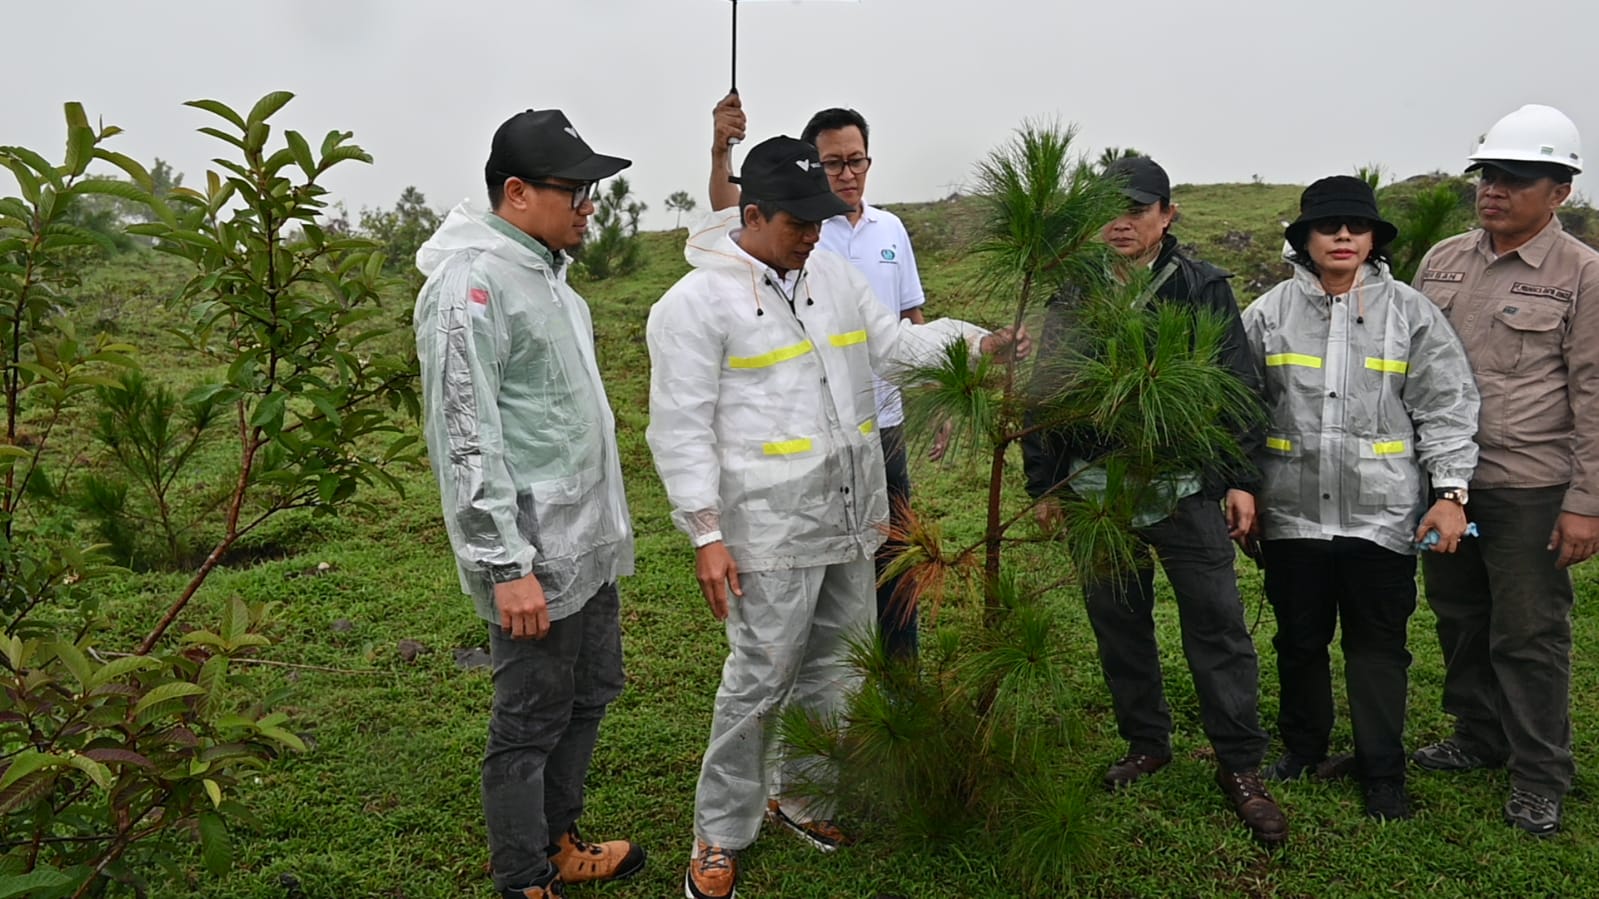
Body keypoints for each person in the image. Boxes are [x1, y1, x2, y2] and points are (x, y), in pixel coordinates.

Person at [650, 134, 1026, 899]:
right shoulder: (691, 306)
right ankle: (718, 833)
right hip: (765, 528)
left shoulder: (830, 270)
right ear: (751, 214)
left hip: (852, 513)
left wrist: (974, 345)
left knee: (835, 667)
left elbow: (891, 345)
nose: (815, 233)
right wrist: (705, 533)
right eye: (799, 223)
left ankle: (805, 796)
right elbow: (678, 425)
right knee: (758, 679)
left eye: (822, 218)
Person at [413, 109, 646, 899]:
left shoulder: (548, 276)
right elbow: (464, 436)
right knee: (528, 716)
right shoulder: (470, 285)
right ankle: (522, 876)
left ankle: (557, 836)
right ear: (516, 192)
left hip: (585, 542)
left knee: (590, 691)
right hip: (533, 555)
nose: (589, 205)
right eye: (574, 189)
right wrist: (502, 563)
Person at [1021, 155, 1287, 845]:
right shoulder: (1073, 288)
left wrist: (1237, 477)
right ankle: (1146, 740)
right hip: (1092, 488)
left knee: (1216, 624)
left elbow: (1236, 388)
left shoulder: (1199, 286)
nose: (1120, 222)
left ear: (1166, 215)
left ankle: (1240, 764)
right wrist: (1042, 483)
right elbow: (1043, 388)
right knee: (1117, 620)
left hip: (1182, 486)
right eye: (1107, 208)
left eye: (1136, 209)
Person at [1241, 175, 1481, 822]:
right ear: (1305, 238)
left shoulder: (1410, 313)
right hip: (1290, 513)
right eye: (1327, 225)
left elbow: (1446, 407)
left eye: (1355, 224)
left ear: (1372, 237)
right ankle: (1301, 748)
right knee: (1298, 638)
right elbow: (1234, 407)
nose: (1342, 235)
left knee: (1377, 646)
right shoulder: (1266, 314)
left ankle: (1382, 772)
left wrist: (1449, 493)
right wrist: (1238, 484)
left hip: (1380, 516)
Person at [1410, 103, 1599, 836]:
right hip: (1447, 483)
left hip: (1528, 485)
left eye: (1515, 179)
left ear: (1559, 192)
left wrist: (1584, 499)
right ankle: (1477, 734)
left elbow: (1592, 390)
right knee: (1458, 616)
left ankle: (1539, 774)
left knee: (1527, 633)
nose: (1493, 190)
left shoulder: (1582, 276)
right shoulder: (1442, 261)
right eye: (1487, 174)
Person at [710, 92, 935, 658]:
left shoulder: (890, 231)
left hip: (885, 423)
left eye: (855, 159)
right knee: (834, 565)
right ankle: (832, 677)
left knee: (897, 554)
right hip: (818, 430)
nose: (847, 173)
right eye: (832, 162)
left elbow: (909, 322)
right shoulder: (799, 229)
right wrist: (721, 149)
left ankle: (900, 681)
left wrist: (934, 394)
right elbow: (729, 214)